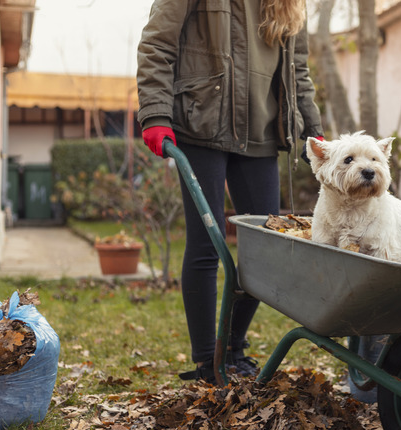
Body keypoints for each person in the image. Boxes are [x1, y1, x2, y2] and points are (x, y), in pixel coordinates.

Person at [136, 0, 323, 382]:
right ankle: (209, 360)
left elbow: (296, 70)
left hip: (261, 134)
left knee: (265, 248)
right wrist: (155, 113)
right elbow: (157, 43)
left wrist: (312, 127)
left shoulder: (288, 3)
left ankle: (231, 348)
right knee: (207, 243)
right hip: (201, 123)